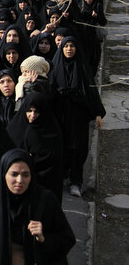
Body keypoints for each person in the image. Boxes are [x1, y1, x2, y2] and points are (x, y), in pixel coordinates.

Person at [0, 149, 75, 265]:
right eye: (14, 174)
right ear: (4, 174)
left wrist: (44, 238)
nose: (20, 180)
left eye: (25, 175)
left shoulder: (45, 201)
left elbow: (67, 239)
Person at [50, 37, 105, 197]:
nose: (68, 49)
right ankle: (62, 176)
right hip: (60, 116)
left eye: (72, 46)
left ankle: (76, 181)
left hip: (78, 116)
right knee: (61, 147)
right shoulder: (55, 67)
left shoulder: (82, 68)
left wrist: (98, 113)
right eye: (66, 46)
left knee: (78, 148)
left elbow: (91, 92)